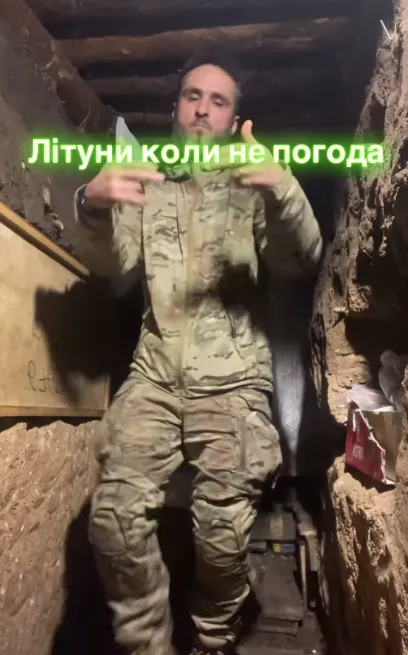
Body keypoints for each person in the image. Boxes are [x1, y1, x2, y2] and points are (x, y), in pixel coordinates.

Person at [73, 50, 323, 655]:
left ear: (235, 118)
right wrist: (92, 206)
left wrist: (283, 188)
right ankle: (147, 643)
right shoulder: (146, 183)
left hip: (234, 383)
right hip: (155, 377)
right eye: (193, 96)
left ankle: (214, 634)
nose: (203, 110)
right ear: (176, 109)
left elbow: (301, 259)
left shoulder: (254, 183)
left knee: (222, 533)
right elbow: (117, 271)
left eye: (218, 101)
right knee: (112, 518)